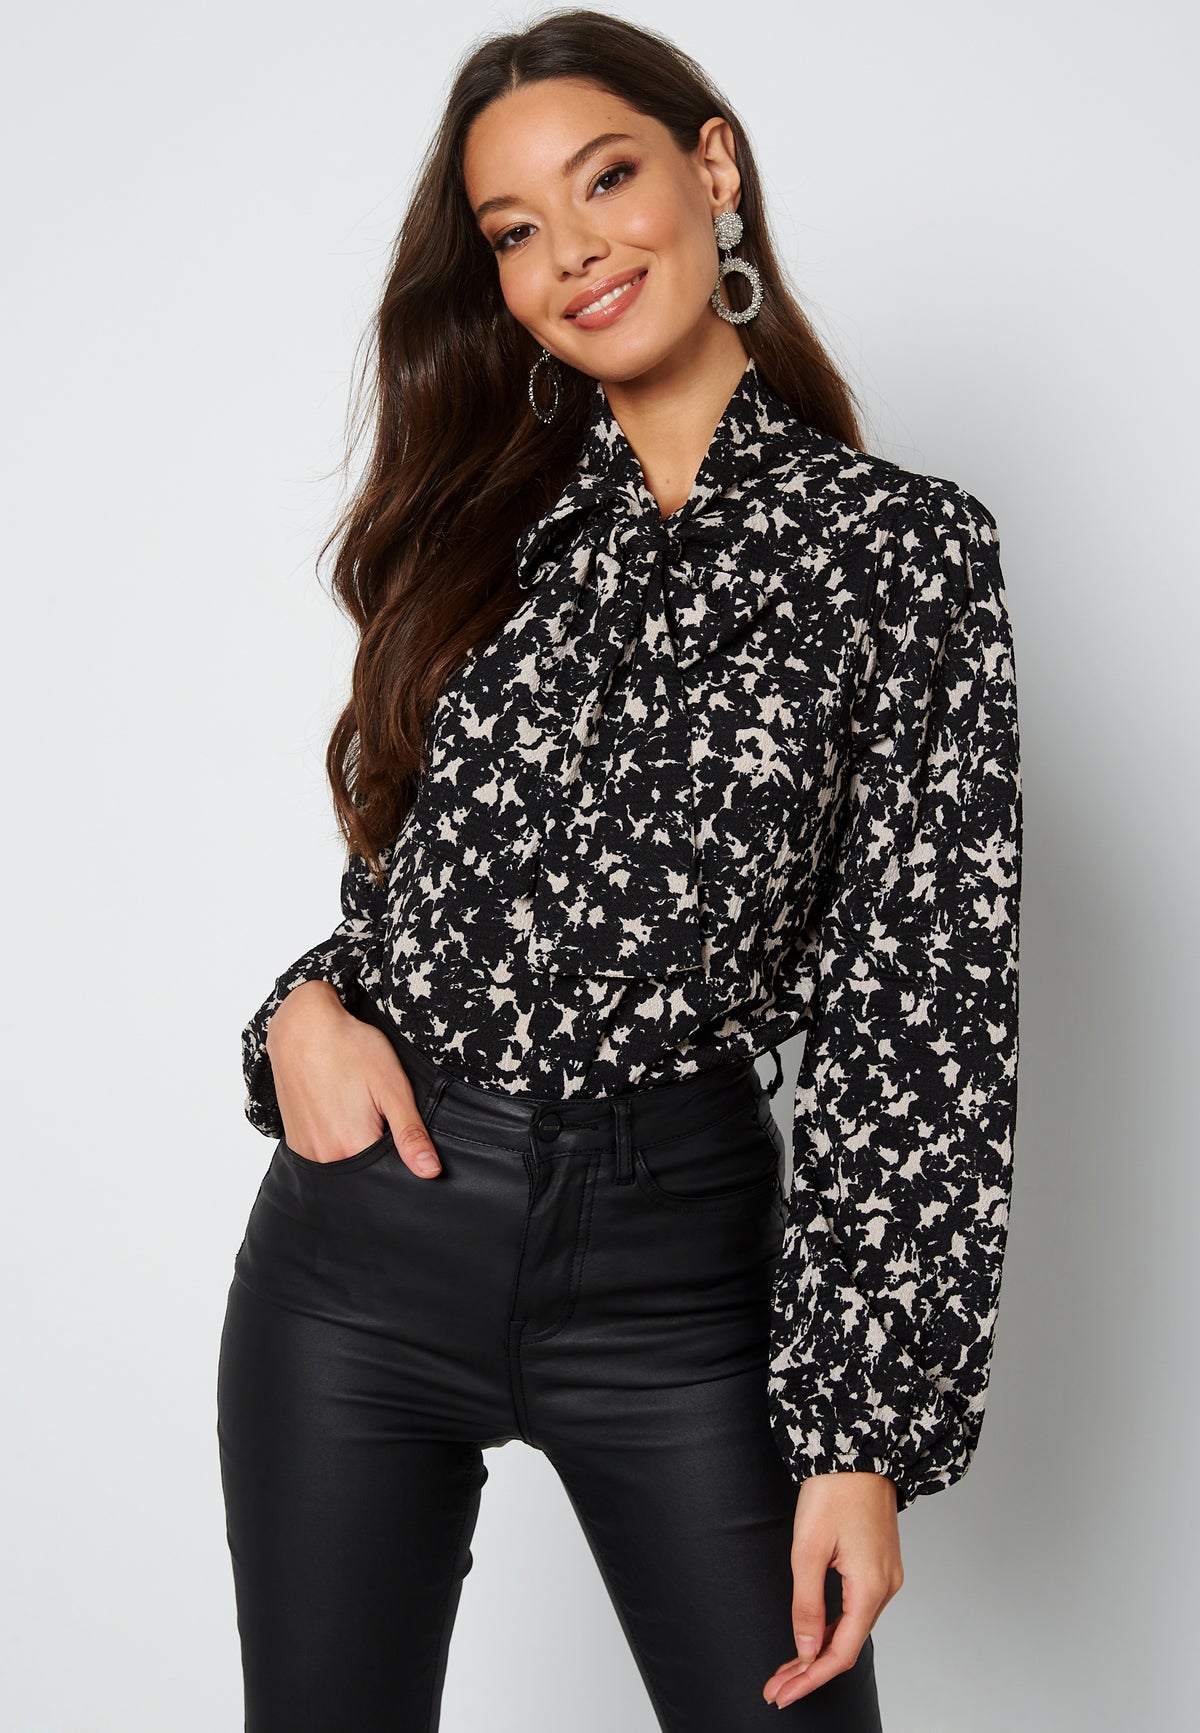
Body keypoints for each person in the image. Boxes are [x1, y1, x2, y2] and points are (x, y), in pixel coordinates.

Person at [216, 10, 1022, 1731]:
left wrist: (861, 1437)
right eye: (516, 230)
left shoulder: (899, 555)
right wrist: (301, 1010)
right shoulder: (476, 530)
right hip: (358, 1261)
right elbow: (429, 903)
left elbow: (922, 1011)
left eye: (604, 180)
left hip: (679, 1277)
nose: (572, 253)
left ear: (710, 167)